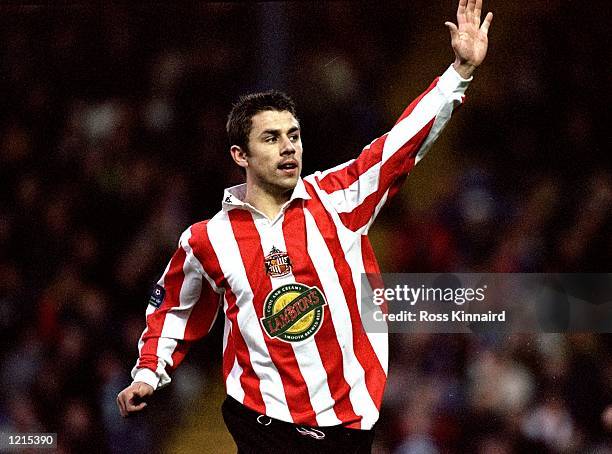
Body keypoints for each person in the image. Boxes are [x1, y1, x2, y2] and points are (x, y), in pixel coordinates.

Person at [116, 0, 493, 452]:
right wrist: (147, 374)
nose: (288, 147)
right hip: (259, 420)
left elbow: (400, 143)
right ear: (241, 155)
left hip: (344, 421)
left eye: (293, 135)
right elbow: (174, 309)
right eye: (271, 138)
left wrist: (458, 73)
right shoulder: (206, 239)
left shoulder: (338, 197)